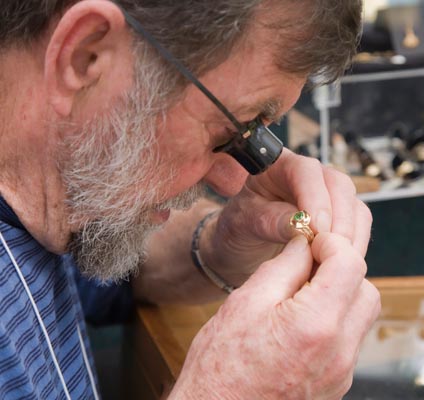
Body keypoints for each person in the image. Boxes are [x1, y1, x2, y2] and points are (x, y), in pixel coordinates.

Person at [0, 0, 381, 398]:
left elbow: (100, 278)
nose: (234, 181)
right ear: (84, 56)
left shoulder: (55, 195)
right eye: (228, 135)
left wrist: (218, 245)